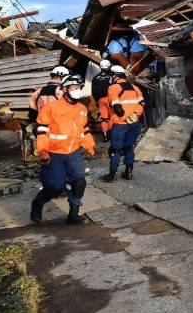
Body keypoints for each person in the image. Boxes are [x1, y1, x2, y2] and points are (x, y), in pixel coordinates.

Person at [30, 74, 95, 225]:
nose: (77, 91)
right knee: (55, 188)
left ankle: (73, 214)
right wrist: (43, 151)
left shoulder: (82, 109)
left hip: (74, 153)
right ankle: (38, 203)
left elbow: (84, 130)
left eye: (79, 88)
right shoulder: (50, 108)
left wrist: (89, 146)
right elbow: (42, 131)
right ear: (65, 89)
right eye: (73, 88)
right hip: (54, 153)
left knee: (79, 183)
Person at [104, 65, 144, 182]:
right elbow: (141, 104)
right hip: (134, 123)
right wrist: (134, 115)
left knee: (115, 149)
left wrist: (123, 117)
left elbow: (117, 108)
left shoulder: (113, 88)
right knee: (128, 147)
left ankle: (113, 175)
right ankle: (129, 172)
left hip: (120, 124)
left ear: (115, 76)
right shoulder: (135, 88)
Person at [91, 59, 114, 140]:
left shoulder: (95, 78)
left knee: (104, 118)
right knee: (112, 117)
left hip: (100, 100)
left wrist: (97, 100)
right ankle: (111, 135)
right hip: (109, 99)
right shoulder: (111, 77)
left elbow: (93, 91)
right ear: (108, 67)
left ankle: (105, 136)